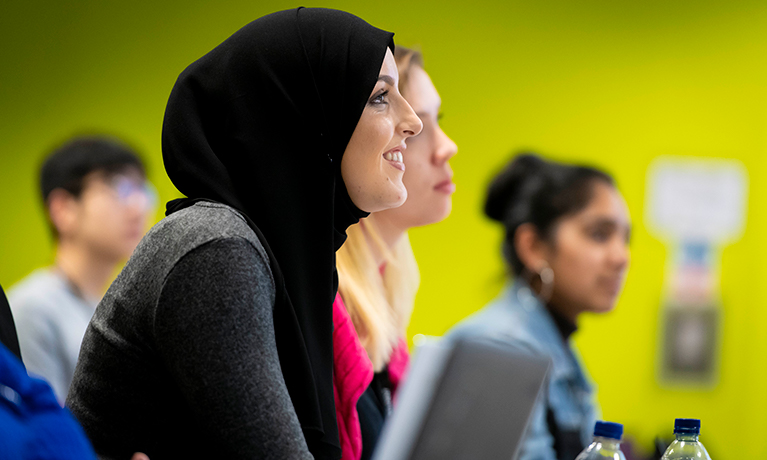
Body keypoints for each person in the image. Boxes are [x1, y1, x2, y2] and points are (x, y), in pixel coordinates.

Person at [66, 8, 422, 460]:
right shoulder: (215, 249)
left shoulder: (284, 259)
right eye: (379, 97)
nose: (414, 122)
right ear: (305, 118)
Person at [447, 153, 631, 460]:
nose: (621, 257)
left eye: (626, 238)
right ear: (532, 247)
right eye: (600, 234)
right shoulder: (499, 347)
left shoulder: (555, 346)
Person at [333, 46, 457, 460]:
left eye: (438, 122)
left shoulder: (384, 294)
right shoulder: (324, 300)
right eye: (420, 130)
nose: (449, 147)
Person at [8, 136, 154, 403]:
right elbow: (43, 428)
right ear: (63, 209)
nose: (138, 207)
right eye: (119, 187)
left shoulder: (123, 309)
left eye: (142, 190)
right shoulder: (33, 309)